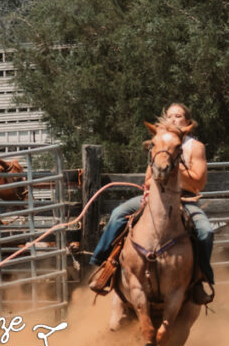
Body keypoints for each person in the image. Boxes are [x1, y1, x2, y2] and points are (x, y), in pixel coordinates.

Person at [88, 102, 215, 305]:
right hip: (156, 197)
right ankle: (103, 265)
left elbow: (198, 181)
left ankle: (201, 278)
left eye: (179, 116)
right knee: (118, 214)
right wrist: (165, 157)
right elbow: (148, 180)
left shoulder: (195, 147)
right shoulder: (159, 143)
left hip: (184, 198)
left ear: (188, 122)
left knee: (205, 231)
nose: (173, 119)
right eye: (170, 115)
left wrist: (174, 165)